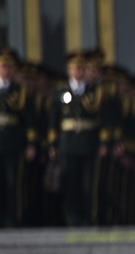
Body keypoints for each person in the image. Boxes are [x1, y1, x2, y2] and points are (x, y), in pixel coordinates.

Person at [0, 48, 37, 229]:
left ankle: (12, 218)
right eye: (2, 66)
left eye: (9, 66)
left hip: (13, 142)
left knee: (13, 183)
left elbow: (28, 120)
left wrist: (30, 143)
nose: (6, 70)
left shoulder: (21, 91)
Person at [49, 50, 111, 227]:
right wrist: (53, 143)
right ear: (69, 70)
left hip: (88, 143)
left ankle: (88, 216)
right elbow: (54, 119)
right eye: (75, 68)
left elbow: (103, 119)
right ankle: (72, 217)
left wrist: (104, 142)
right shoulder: (62, 92)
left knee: (88, 183)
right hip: (68, 143)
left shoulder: (95, 92)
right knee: (70, 183)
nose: (78, 72)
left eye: (82, 69)